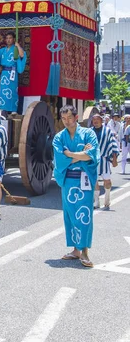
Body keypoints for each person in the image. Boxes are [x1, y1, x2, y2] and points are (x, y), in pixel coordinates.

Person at [53, 105, 99, 267]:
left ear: (76, 117)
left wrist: (70, 154)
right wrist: (81, 155)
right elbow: (59, 161)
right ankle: (75, 250)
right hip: (68, 181)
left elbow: (92, 155)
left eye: (69, 118)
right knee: (70, 215)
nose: (66, 121)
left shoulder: (88, 134)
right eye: (63, 118)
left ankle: (85, 250)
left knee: (84, 216)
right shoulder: (59, 137)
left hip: (84, 181)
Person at [0, 31, 26, 113]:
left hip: (13, 73)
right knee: (3, 91)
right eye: (7, 38)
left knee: (12, 90)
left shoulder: (16, 49)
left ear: (14, 39)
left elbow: (22, 55)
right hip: (4, 73)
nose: (8, 40)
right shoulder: (2, 51)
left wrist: (18, 45)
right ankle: (2, 108)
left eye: (10, 38)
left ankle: (13, 110)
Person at [91, 113, 119, 210]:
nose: (95, 122)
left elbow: (113, 144)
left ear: (101, 120)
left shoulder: (108, 131)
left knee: (107, 181)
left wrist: (114, 158)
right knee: (94, 181)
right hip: (93, 160)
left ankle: (107, 197)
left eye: (97, 120)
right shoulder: (89, 132)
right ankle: (96, 201)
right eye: (94, 120)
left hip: (104, 159)